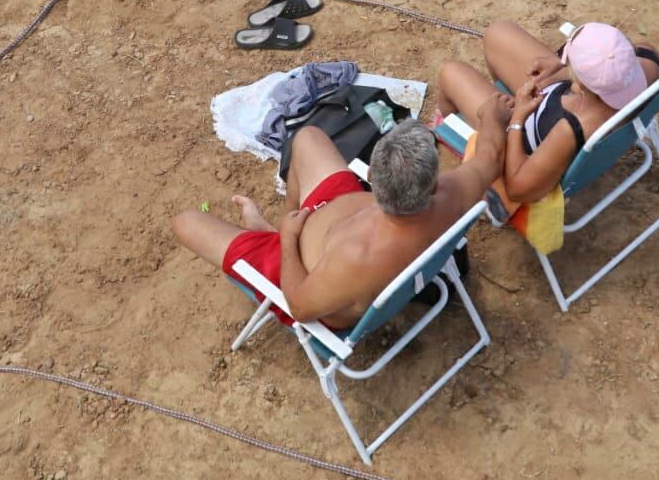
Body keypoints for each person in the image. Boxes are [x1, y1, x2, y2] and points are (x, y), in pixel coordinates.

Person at [172, 113, 507, 329]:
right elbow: (489, 157)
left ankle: (273, 236)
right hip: (341, 212)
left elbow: (301, 306)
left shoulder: (357, 257)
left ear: (374, 178)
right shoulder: (448, 198)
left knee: (185, 222)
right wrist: (501, 117)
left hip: (302, 269)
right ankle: (281, 222)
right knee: (307, 137)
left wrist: (289, 239)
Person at [434, 21, 659, 206]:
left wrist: (517, 119)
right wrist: (560, 61)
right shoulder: (647, 71)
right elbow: (642, 49)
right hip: (561, 100)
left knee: (450, 73)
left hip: (522, 139)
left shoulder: (569, 129)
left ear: (580, 85)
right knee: (497, 31)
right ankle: (501, 94)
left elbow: (517, 189)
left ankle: (454, 130)